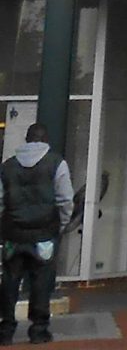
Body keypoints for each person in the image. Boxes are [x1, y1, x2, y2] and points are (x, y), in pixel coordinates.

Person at [0, 123, 73, 345]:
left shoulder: (7, 166)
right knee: (41, 282)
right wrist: (60, 225)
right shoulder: (56, 163)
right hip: (44, 234)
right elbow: (65, 199)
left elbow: (0, 201)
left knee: (10, 281)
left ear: (26, 139)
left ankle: (5, 330)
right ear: (46, 140)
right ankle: (39, 330)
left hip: (13, 235)